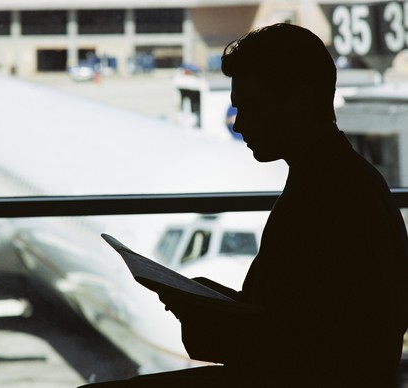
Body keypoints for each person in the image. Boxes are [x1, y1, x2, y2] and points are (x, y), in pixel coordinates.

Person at [80, 23, 408, 387]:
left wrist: (201, 311)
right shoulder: (344, 181)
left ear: (300, 101)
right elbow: (301, 320)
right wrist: (209, 300)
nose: (240, 124)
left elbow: (304, 348)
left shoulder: (328, 197)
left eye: (252, 106)